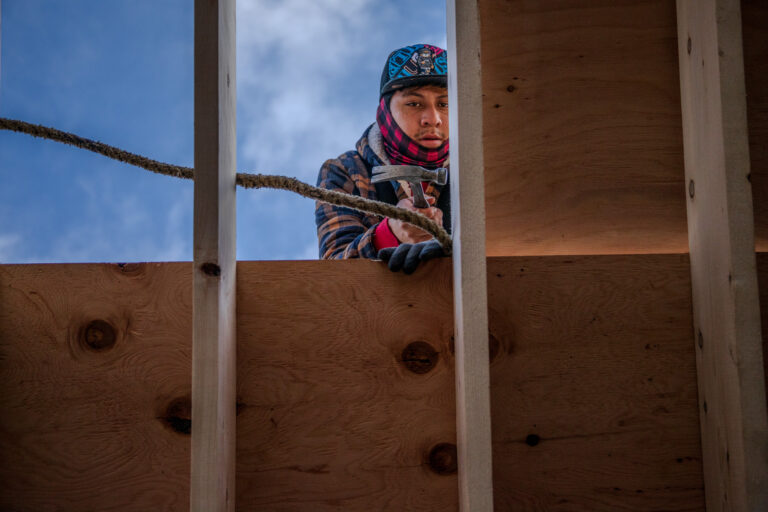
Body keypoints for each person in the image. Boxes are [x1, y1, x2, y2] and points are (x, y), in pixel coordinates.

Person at [315, 44, 450, 274]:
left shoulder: (483, 167)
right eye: (414, 104)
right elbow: (333, 271)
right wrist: (389, 234)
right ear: (385, 109)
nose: (432, 119)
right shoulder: (344, 171)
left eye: (444, 104)